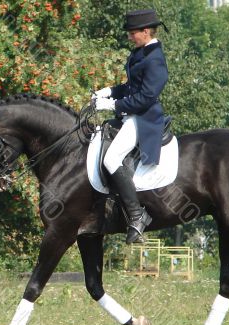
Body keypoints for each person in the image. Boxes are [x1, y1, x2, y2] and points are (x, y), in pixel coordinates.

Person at [92, 9, 169, 244]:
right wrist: (107, 92)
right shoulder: (140, 53)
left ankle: (137, 216)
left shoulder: (155, 59)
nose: (129, 37)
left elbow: (145, 97)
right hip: (132, 114)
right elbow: (131, 87)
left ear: (145, 31)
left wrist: (112, 105)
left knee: (111, 159)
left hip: (144, 118)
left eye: (132, 33)